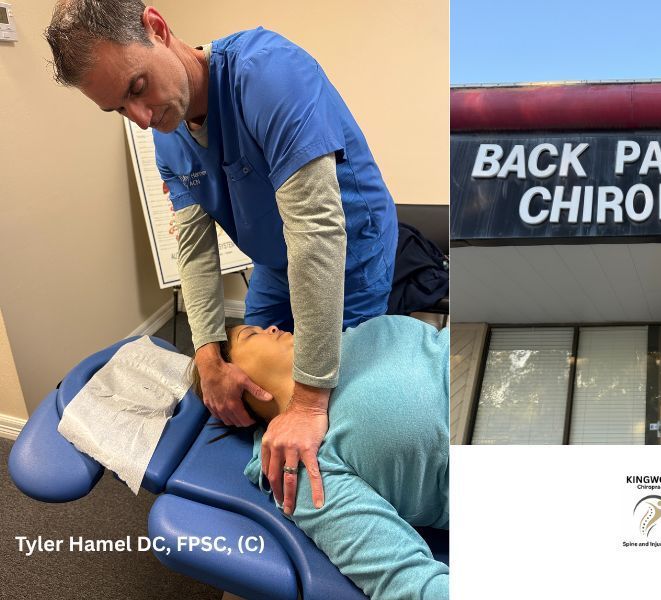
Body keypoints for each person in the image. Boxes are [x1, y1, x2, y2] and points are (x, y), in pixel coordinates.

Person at [45, 1, 399, 509]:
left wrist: (308, 401)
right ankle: (270, 488)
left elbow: (316, 233)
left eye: (137, 88)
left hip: (346, 253)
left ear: (156, 28)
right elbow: (194, 251)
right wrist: (208, 356)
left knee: (336, 410)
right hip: (275, 260)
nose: (141, 120)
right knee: (251, 385)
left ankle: (348, 509)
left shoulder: (270, 75)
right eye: (119, 109)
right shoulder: (168, 136)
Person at [216, 315, 449, 600]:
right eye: (252, 335)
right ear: (235, 394)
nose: (274, 327)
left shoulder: (350, 338)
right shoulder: (301, 464)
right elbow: (407, 580)